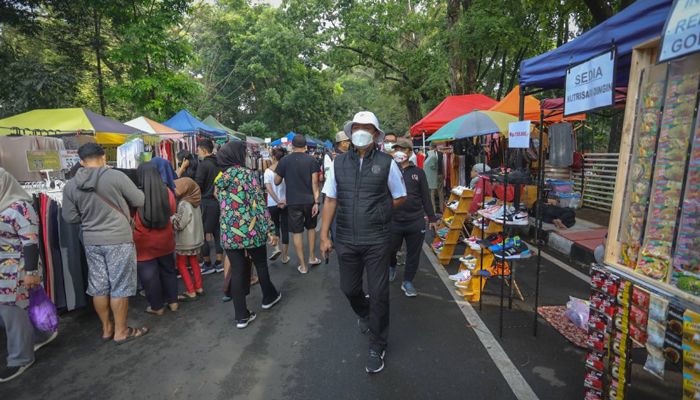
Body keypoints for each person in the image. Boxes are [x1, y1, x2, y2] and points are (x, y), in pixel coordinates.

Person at [320, 111, 407, 374]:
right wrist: (324, 235)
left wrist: (380, 211)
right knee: (349, 289)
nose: (360, 131)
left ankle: (377, 345)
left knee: (380, 293)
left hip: (377, 239)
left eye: (366, 128)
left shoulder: (387, 163)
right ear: (350, 132)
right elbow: (330, 199)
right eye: (356, 127)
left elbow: (400, 196)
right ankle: (367, 314)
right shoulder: (338, 164)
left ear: (376, 134)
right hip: (345, 238)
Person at [62, 143, 148, 344]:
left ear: (81, 161)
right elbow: (139, 199)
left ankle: (106, 329)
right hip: (118, 238)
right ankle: (121, 331)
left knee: (98, 286)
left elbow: (70, 217)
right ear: (102, 157)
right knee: (120, 285)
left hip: (91, 241)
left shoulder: (70, 185)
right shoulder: (115, 176)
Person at [216, 141, 281, 329]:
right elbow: (258, 204)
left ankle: (241, 316)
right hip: (250, 229)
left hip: (229, 232)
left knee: (237, 271)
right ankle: (268, 297)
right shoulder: (246, 175)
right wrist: (270, 229)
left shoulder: (221, 178)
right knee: (260, 263)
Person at [0, 168, 57, 382]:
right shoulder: (4, 203)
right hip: (4, 270)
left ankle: (20, 358)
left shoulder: (21, 207)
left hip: (17, 271)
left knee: (12, 312)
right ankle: (43, 333)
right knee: (20, 310)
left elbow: (30, 242)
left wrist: (31, 272)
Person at [388, 138, 438, 297]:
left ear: (409, 152)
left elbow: (425, 197)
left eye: (402, 149)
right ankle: (391, 266)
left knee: (413, 253)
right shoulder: (388, 170)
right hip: (393, 220)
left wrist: (432, 218)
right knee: (390, 250)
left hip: (415, 220)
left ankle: (408, 281)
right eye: (395, 149)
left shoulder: (418, 172)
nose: (398, 152)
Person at [133, 162, 178, 315]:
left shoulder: (135, 195)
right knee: (169, 271)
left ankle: (157, 307)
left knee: (150, 277)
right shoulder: (167, 192)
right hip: (166, 239)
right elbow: (172, 211)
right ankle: (173, 302)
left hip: (143, 242)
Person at [274, 134, 321, 274]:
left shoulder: (284, 161)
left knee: (297, 232)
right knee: (311, 228)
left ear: (292, 146)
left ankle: (303, 265)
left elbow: (276, 181)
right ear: (306, 146)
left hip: (293, 201)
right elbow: (315, 183)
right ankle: (312, 257)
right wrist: (317, 202)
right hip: (309, 200)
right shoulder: (312, 160)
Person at [172, 178, 205, 301]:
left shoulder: (184, 203)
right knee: (194, 262)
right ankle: (199, 287)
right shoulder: (195, 201)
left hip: (186, 241)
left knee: (181, 264)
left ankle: (191, 290)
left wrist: (172, 218)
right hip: (196, 238)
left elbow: (179, 224)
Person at [194, 139, 223, 275]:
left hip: (206, 202)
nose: (197, 153)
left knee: (204, 234)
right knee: (217, 232)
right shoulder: (220, 163)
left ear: (204, 150)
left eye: (198, 150)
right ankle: (219, 262)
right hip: (219, 202)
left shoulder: (203, 165)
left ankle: (207, 263)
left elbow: (198, 185)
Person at [264, 148, 290, 264]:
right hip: (285, 203)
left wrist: (277, 201)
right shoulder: (287, 170)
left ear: (273, 157)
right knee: (285, 228)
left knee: (275, 227)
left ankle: (276, 248)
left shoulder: (267, 171)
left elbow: (268, 189)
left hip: (272, 203)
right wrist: (283, 200)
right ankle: (285, 257)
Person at [424, 144, 440, 212]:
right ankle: (432, 210)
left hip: (431, 179)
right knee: (430, 197)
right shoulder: (431, 156)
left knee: (431, 197)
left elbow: (434, 167)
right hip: (430, 179)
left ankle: (433, 211)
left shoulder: (432, 157)